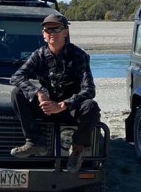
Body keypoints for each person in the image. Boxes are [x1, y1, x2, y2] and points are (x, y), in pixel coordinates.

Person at [9, 14, 101, 174]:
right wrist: (38, 92)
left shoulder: (78, 55)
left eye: (57, 29)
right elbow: (17, 77)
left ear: (65, 32)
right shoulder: (39, 55)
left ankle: (77, 150)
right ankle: (35, 141)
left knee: (91, 106)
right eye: (48, 30)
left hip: (69, 108)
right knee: (17, 93)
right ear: (43, 35)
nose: (52, 33)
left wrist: (64, 105)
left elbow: (89, 89)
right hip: (46, 106)